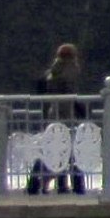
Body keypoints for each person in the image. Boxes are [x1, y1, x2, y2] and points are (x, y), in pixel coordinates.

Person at [25, 42, 88, 194]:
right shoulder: (70, 70)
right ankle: (75, 186)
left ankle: (44, 184)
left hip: (53, 115)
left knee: (55, 151)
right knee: (70, 151)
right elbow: (70, 93)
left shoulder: (53, 71)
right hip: (66, 115)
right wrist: (79, 108)